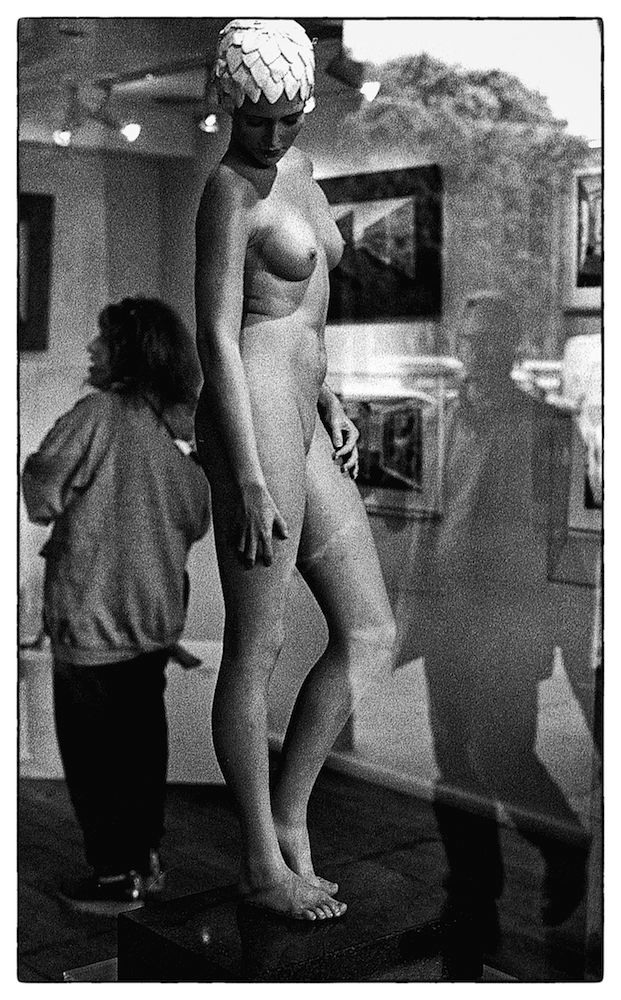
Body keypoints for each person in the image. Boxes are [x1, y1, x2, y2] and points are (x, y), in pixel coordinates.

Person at [195, 18, 396, 921]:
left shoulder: (303, 170)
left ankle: (290, 819)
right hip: (252, 417)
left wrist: (331, 396)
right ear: (227, 106)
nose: (271, 136)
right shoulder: (227, 191)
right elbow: (218, 335)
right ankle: (259, 863)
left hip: (301, 410)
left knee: (370, 631)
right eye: (255, 120)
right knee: (258, 646)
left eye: (286, 119)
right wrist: (243, 475)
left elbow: (303, 310)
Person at [396, 291, 592, 936]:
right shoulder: (439, 421)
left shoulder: (548, 427)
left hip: (509, 618)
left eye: (491, 338)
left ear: (513, 346)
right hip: (448, 615)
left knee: (502, 756)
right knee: (454, 765)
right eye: (470, 337)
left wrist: (562, 628)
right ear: (458, 343)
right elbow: (424, 520)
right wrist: (409, 611)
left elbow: (565, 535)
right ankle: (471, 901)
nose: (478, 349)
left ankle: (565, 843)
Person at [22, 297, 211, 913]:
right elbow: (196, 517)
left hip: (92, 623)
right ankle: (143, 861)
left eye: (102, 339)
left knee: (94, 758)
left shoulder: (98, 415)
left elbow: (42, 497)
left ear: (130, 351)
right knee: (140, 749)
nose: (90, 348)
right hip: (150, 627)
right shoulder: (175, 440)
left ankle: (113, 877)